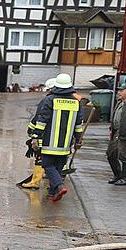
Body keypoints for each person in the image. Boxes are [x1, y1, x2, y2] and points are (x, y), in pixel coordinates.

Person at [27, 73, 84, 203]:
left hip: (49, 143)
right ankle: (52, 193)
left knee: (47, 165)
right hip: (65, 145)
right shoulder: (76, 102)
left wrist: (35, 137)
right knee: (58, 168)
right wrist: (78, 139)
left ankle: (59, 186)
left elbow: (42, 121)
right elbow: (78, 124)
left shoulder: (50, 100)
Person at [19, 78, 56, 190]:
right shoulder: (67, 101)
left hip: (44, 134)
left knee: (40, 157)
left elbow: (39, 118)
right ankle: (53, 182)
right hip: (59, 137)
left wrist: (33, 133)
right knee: (53, 159)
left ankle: (35, 182)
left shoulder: (47, 101)